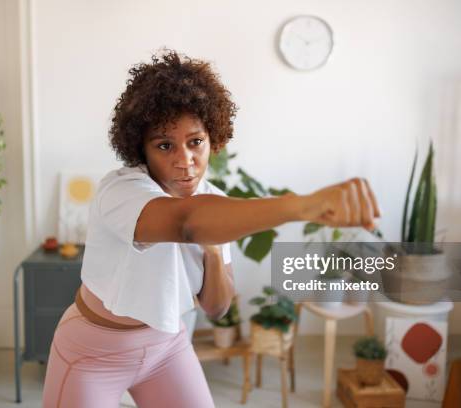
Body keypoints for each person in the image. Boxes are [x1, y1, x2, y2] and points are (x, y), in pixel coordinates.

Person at [42, 50, 380, 408]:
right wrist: (303, 205)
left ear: (212, 139)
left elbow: (217, 308)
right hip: (95, 352)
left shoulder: (216, 203)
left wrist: (214, 252)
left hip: (166, 348)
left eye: (195, 142)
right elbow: (185, 222)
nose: (185, 160)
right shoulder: (121, 190)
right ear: (141, 149)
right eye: (164, 145)